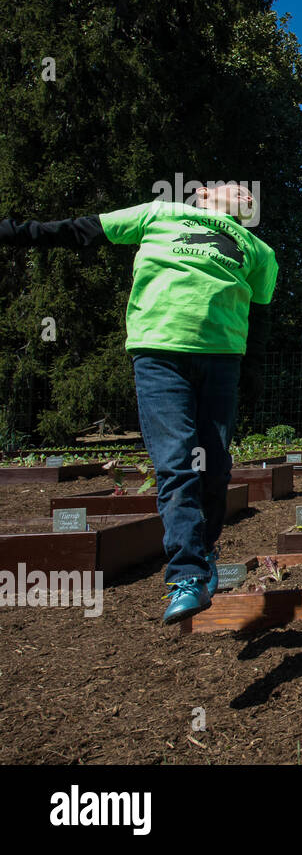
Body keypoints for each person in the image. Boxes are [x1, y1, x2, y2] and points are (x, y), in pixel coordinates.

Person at [0, 186, 277, 624]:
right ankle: (186, 575)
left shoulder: (259, 250)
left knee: (215, 468)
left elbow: (260, 320)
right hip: (160, 355)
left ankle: (202, 555)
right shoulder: (159, 212)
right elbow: (82, 230)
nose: (243, 192)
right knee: (175, 462)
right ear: (202, 193)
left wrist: (254, 373)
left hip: (222, 363)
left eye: (248, 192)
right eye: (232, 185)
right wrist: (15, 232)